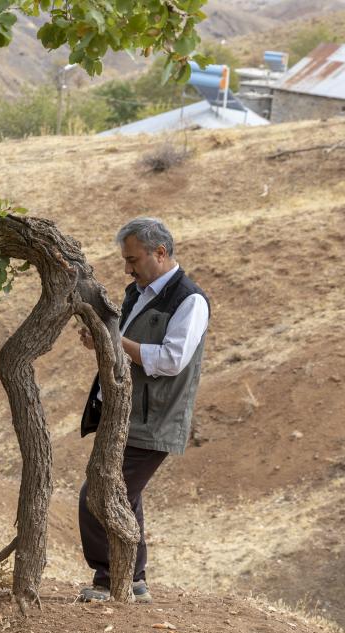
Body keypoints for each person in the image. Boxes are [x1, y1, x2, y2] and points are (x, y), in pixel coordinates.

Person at [76, 217, 210, 603]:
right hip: (125, 416)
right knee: (124, 496)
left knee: (100, 494)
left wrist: (115, 342)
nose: (127, 268)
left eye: (133, 259)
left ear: (161, 253)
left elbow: (170, 360)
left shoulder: (190, 301)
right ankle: (133, 580)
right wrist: (103, 342)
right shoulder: (139, 292)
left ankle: (108, 580)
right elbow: (126, 347)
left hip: (153, 420)